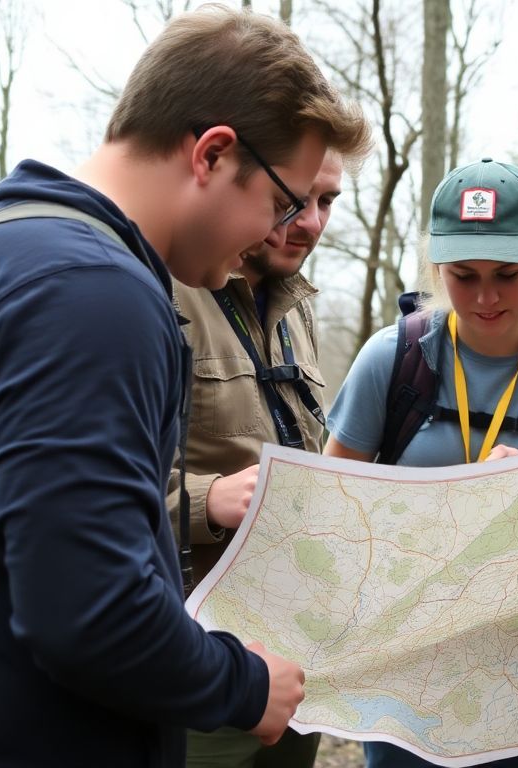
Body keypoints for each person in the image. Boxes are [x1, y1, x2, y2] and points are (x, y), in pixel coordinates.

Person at [0, 7, 372, 767]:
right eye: (281, 201)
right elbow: (91, 612)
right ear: (213, 154)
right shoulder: (90, 295)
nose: (278, 229)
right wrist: (245, 686)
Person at [324, 157, 518, 767]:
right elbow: (333, 510)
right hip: (405, 681)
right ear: (436, 268)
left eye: (507, 274)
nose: (486, 297)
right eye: (463, 275)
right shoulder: (393, 359)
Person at [170, 151, 346, 768]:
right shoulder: (166, 290)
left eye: (329, 202)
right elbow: (83, 500)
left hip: (297, 665)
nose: (312, 223)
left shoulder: (297, 306)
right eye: (297, 200)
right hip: (200, 669)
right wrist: (205, 501)